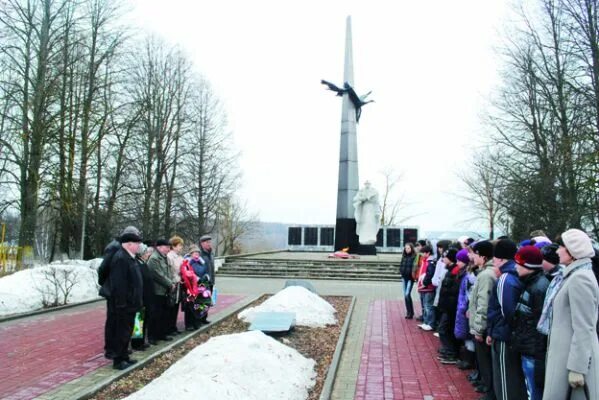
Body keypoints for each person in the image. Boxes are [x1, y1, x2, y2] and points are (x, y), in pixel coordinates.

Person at [543, 229, 599, 400]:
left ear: (573, 252)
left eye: (561, 247)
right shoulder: (573, 275)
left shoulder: (580, 278)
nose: (557, 251)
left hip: (573, 362)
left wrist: (577, 368)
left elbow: (584, 327)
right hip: (565, 357)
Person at [486, 239, 527, 400]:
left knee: (504, 378)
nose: (493, 262)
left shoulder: (506, 279)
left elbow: (507, 312)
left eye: (495, 258)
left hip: (504, 335)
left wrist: (493, 330)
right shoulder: (513, 275)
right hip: (506, 333)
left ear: (501, 259)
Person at [512, 245, 550, 400]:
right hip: (528, 348)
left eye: (518, 263)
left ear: (528, 266)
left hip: (533, 351)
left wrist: (538, 354)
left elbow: (541, 324)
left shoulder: (538, 288)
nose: (515, 266)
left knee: (534, 392)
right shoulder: (529, 283)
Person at [99, 226, 141, 359]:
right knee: (115, 323)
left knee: (122, 325)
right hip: (116, 293)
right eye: (136, 241)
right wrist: (109, 286)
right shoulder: (116, 250)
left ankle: (120, 350)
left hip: (122, 293)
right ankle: (112, 350)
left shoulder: (125, 252)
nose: (138, 245)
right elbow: (104, 269)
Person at [107, 230, 143, 370]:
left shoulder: (130, 257)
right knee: (120, 332)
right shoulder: (121, 258)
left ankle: (124, 357)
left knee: (127, 332)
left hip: (131, 303)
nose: (139, 246)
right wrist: (122, 303)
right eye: (137, 243)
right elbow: (119, 284)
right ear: (128, 244)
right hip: (124, 304)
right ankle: (118, 359)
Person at [468, 240, 497, 399]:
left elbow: (483, 303)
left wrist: (478, 328)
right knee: (484, 361)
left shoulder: (486, 275)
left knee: (486, 362)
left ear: (484, 257)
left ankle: (490, 392)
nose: (473, 257)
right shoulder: (485, 272)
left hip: (483, 326)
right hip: (482, 324)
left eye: (476, 254)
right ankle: (487, 387)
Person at [146, 239, 175, 344]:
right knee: (155, 315)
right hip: (156, 291)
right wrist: (170, 284)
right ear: (158, 247)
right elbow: (157, 275)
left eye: (169, 247)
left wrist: (172, 281)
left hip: (164, 291)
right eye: (166, 247)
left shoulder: (164, 257)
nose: (168, 249)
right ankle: (152, 337)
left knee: (163, 314)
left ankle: (161, 334)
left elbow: (168, 272)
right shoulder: (154, 258)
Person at [436, 248, 461, 364]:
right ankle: (448, 350)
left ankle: (451, 352)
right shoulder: (450, 270)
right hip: (446, 305)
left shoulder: (455, 271)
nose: (443, 259)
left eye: (445, 257)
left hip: (450, 307)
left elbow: (452, 291)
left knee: (444, 329)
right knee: (444, 328)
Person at [166, 236, 184, 335]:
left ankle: (173, 326)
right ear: (173, 246)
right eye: (179, 245)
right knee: (171, 306)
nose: (181, 247)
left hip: (179, 284)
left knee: (176, 305)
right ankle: (169, 327)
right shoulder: (170, 257)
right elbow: (171, 272)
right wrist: (177, 279)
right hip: (173, 284)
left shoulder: (180, 257)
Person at [417, 245, 436, 331]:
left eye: (423, 253)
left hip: (428, 287)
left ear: (428, 253)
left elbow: (429, 275)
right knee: (425, 306)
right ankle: (426, 322)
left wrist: (424, 283)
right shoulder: (424, 261)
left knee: (428, 306)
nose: (422, 254)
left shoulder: (430, 262)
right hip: (423, 287)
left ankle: (430, 323)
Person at [399, 243, 418, 319]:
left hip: (410, 279)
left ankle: (410, 312)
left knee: (407, 295)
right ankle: (409, 312)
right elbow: (401, 265)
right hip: (404, 278)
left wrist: (413, 276)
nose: (407, 250)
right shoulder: (403, 256)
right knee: (406, 296)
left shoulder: (414, 257)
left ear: (411, 249)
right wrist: (401, 271)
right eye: (406, 248)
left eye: (408, 248)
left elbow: (415, 267)